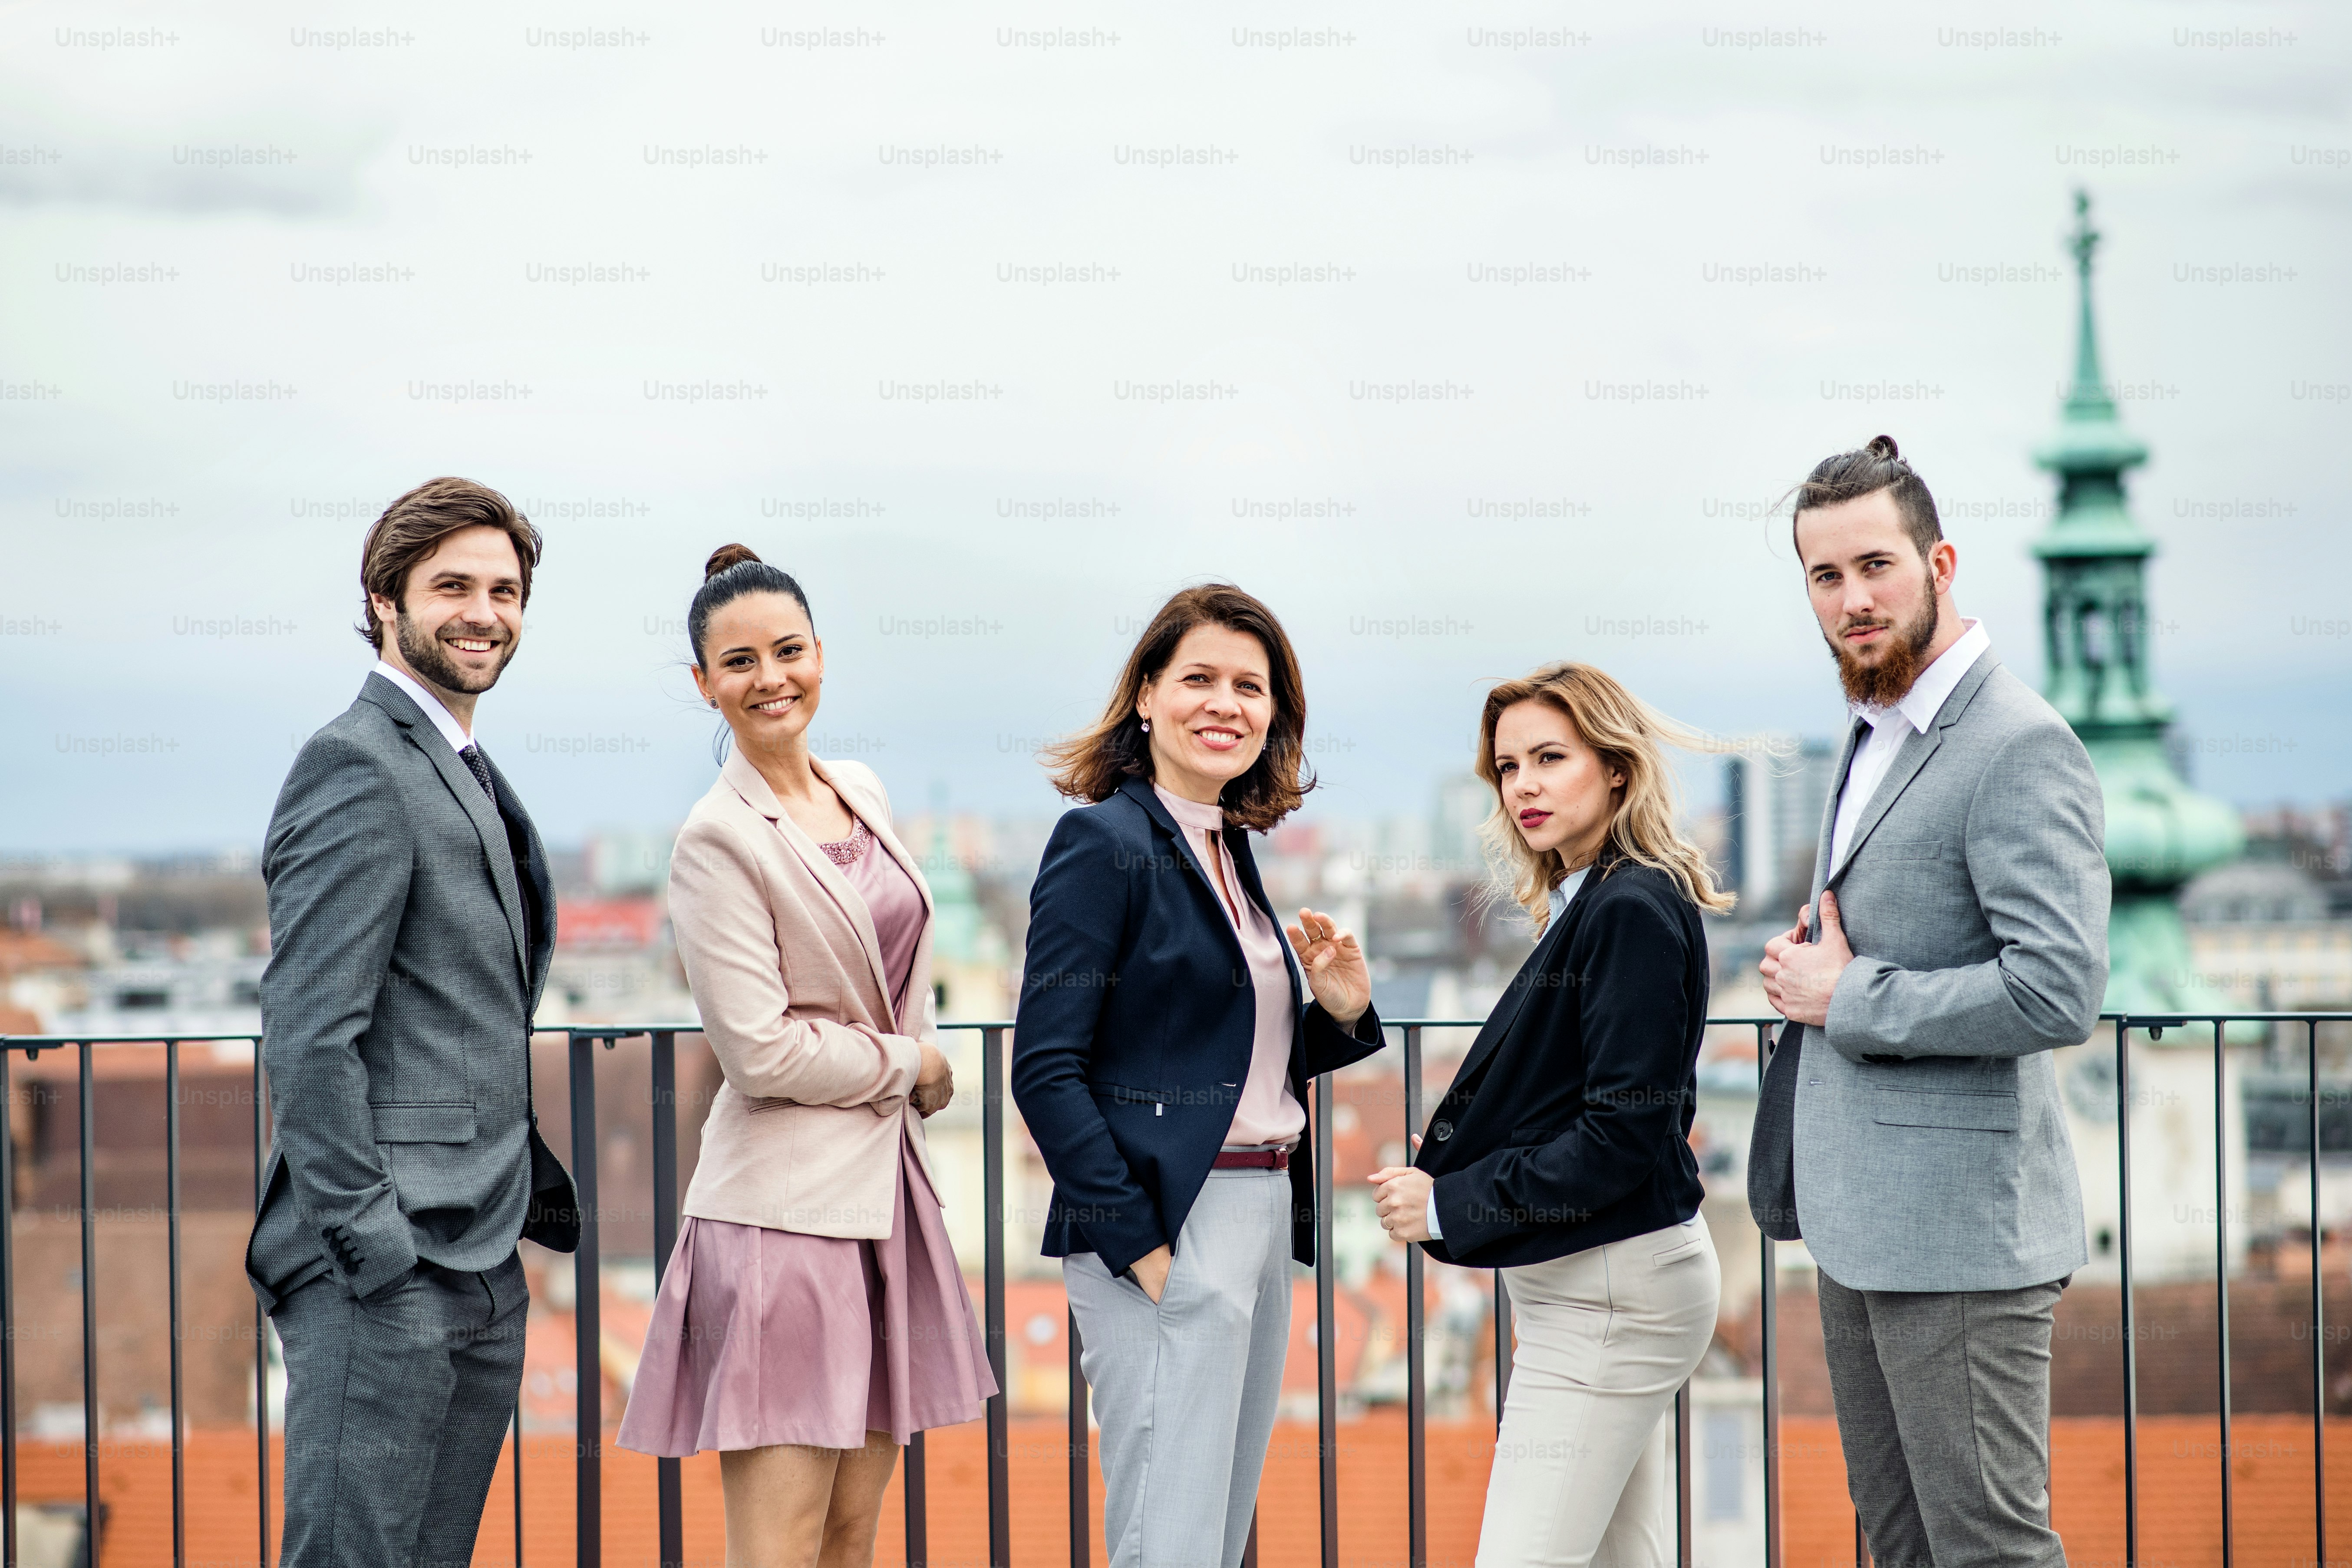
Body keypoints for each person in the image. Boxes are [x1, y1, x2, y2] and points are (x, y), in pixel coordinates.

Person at [1748, 436, 2108, 1568]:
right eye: (1824, 576)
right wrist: (1818, 962)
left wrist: (1849, 992)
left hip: (1960, 1233)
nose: (1852, 599)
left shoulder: (2018, 743)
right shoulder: (1872, 726)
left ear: (1940, 561)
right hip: (1862, 1224)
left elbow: (2057, 989)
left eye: (1876, 566)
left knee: (1988, 1549)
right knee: (1900, 1545)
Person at [617, 545, 991, 1568]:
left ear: (822, 653)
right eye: (739, 663)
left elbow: (891, 959)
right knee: (779, 1545)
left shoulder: (858, 787)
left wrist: (908, 1050)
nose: (771, 677)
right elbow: (760, 1051)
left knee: (850, 1535)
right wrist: (908, 1063)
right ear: (704, 686)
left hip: (883, 1204)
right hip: (783, 1221)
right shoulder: (715, 839)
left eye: (789, 650)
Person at [1010, 583, 1382, 1568]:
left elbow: (1221, 1061)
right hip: (1170, 1219)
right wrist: (1142, 1250)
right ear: (1145, 695)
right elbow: (1045, 1068)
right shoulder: (1104, 842)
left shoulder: (1228, 843)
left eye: (1250, 687)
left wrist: (1338, 1014)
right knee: (1163, 1542)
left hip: (1259, 1214)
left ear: (1274, 715)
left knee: (1213, 1539)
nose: (1227, 704)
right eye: (1200, 679)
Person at [247, 478, 579, 1568]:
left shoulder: (459, 765)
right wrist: (373, 1251)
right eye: (452, 586)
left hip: (481, 1253)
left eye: (504, 589)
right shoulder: (357, 762)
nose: (484, 611)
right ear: (385, 599)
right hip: (381, 1268)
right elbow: (309, 1030)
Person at [1369, 662, 1728, 1568]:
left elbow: (1622, 1136)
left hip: (1611, 1295)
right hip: (1606, 1284)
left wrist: (1451, 1204)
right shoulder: (1600, 899)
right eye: (1507, 767)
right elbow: (1583, 1094)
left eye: (1549, 758)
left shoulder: (1629, 909)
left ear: (1615, 767)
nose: (1523, 784)